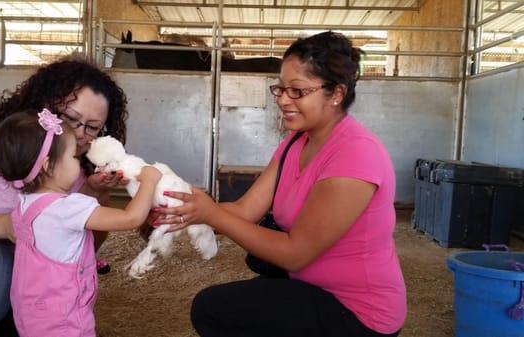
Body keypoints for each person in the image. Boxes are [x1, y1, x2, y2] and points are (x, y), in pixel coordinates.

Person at [153, 31, 406, 337]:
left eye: (297, 91)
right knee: (221, 308)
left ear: (336, 94)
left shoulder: (355, 154)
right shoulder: (297, 142)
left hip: (357, 312)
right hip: (310, 286)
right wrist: (186, 209)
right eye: (281, 89)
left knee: (213, 309)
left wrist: (211, 215)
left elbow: (295, 253)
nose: (283, 100)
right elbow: (247, 209)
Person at [0, 56, 129, 336]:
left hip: (22, 282)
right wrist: (6, 227)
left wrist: (95, 195)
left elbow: (80, 253)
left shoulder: (72, 164)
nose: (79, 134)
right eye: (69, 118)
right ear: (42, 104)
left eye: (92, 127)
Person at [0, 109, 161, 336]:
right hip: (66, 319)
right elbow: (130, 219)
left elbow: (65, 219)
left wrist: (91, 186)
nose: (79, 163)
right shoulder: (68, 208)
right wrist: (149, 180)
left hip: (32, 315)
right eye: (73, 157)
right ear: (48, 165)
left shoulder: (25, 203)